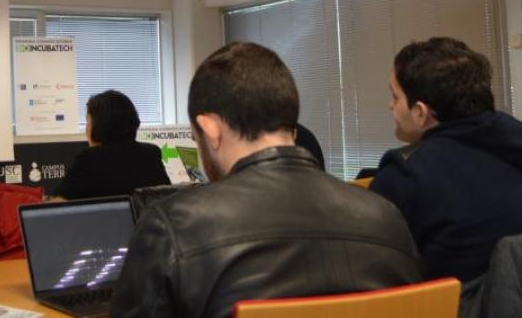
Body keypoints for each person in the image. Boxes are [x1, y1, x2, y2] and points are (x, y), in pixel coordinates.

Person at [111, 42, 422, 317]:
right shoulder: (386, 217)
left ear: (211, 130)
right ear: (292, 128)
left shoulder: (173, 227)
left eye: (196, 138)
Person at [371, 37, 522, 283]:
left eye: (395, 96)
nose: (390, 106)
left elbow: (372, 270)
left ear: (421, 112)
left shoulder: (405, 175)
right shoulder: (518, 146)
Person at [55, 90, 170, 199]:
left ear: (99, 125)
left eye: (87, 121)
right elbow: (167, 196)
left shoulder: (89, 159)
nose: (86, 128)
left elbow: (57, 203)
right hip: (149, 220)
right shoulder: (151, 153)